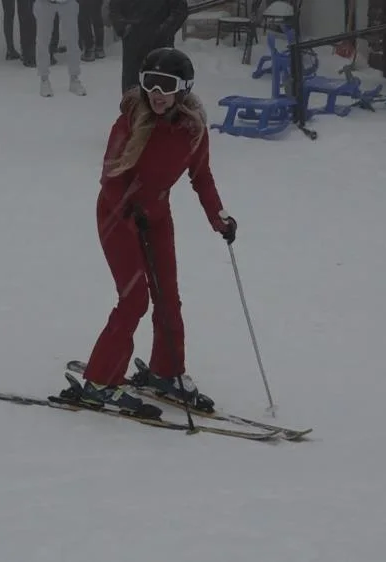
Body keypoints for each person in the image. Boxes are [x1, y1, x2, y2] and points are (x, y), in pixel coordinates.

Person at [76, 48, 237, 418]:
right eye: (151, 83)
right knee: (135, 299)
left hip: (157, 217)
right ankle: (100, 382)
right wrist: (129, 210)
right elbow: (110, 177)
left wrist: (220, 218)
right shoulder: (130, 122)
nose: (157, 93)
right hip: (117, 216)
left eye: (167, 85)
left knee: (168, 297)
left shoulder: (192, 130)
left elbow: (202, 177)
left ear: (184, 88)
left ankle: (166, 371)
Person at [109, 0, 187, 94]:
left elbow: (180, 9)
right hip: (133, 43)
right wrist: (122, 27)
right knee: (132, 90)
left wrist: (165, 30)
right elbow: (114, 7)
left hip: (160, 44)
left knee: (162, 88)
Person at [33, 0, 84, 96]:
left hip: (68, 3)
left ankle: (74, 78)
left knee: (73, 40)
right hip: (44, 3)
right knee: (42, 41)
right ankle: (44, 79)